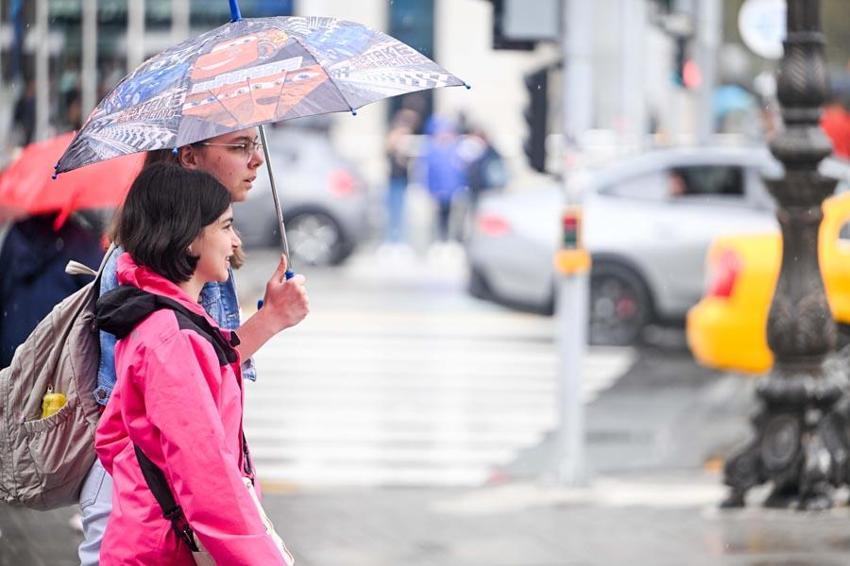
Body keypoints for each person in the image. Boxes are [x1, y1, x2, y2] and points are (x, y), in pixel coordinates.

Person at [77, 128, 310, 564]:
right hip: (156, 521)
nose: (255, 159)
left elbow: (126, 424)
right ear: (188, 157)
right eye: (240, 146)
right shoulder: (166, 323)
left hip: (153, 514)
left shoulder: (163, 293)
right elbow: (204, 471)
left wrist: (272, 317)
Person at [0, 212, 104, 368]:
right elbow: (99, 291)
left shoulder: (13, 237)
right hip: (58, 352)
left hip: (12, 353)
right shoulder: (79, 241)